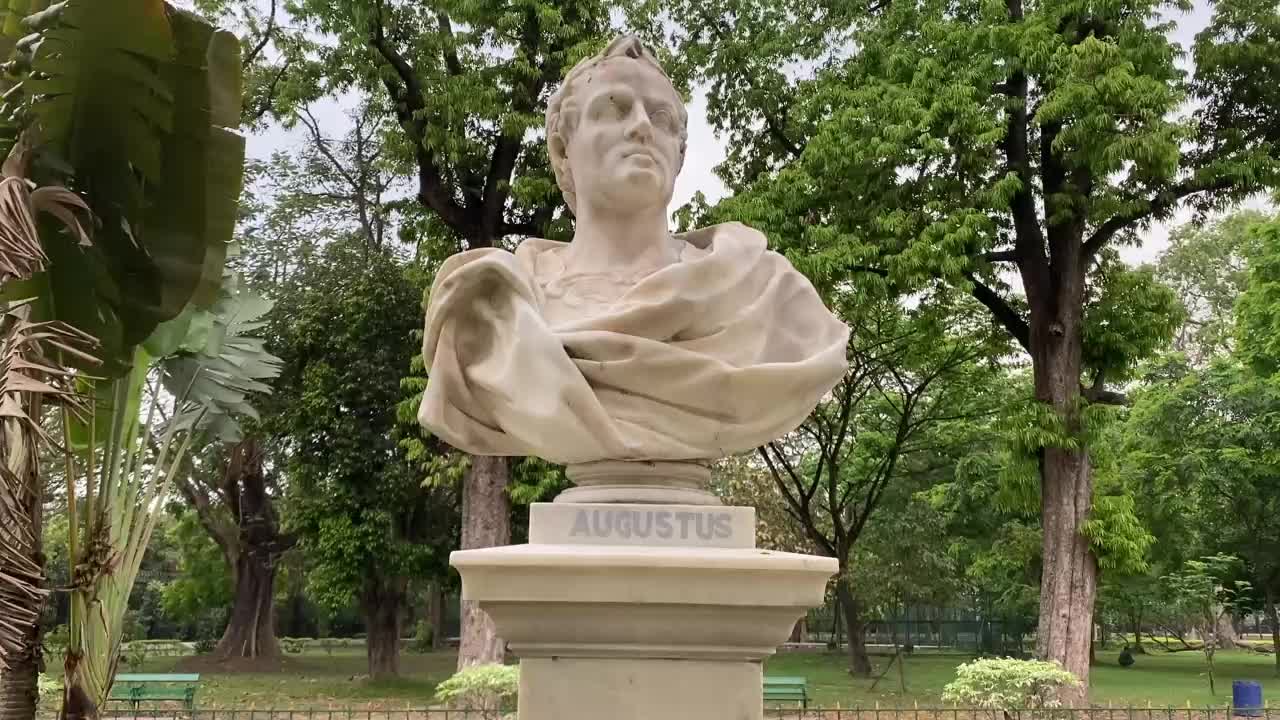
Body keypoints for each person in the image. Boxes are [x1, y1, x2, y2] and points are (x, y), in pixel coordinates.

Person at [418, 35, 849, 467]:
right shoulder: (493, 305)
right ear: (562, 150)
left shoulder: (764, 292)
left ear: (679, 154)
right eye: (613, 109)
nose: (642, 125)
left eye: (662, 118)